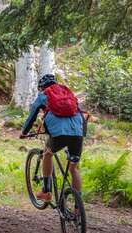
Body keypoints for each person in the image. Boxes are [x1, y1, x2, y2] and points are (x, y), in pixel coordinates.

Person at [20, 74, 85, 202]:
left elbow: (32, 116)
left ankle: (46, 192)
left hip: (59, 133)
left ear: (42, 87)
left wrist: (24, 132)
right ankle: (78, 208)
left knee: (47, 154)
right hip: (78, 132)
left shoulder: (43, 95)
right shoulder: (67, 93)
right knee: (74, 167)